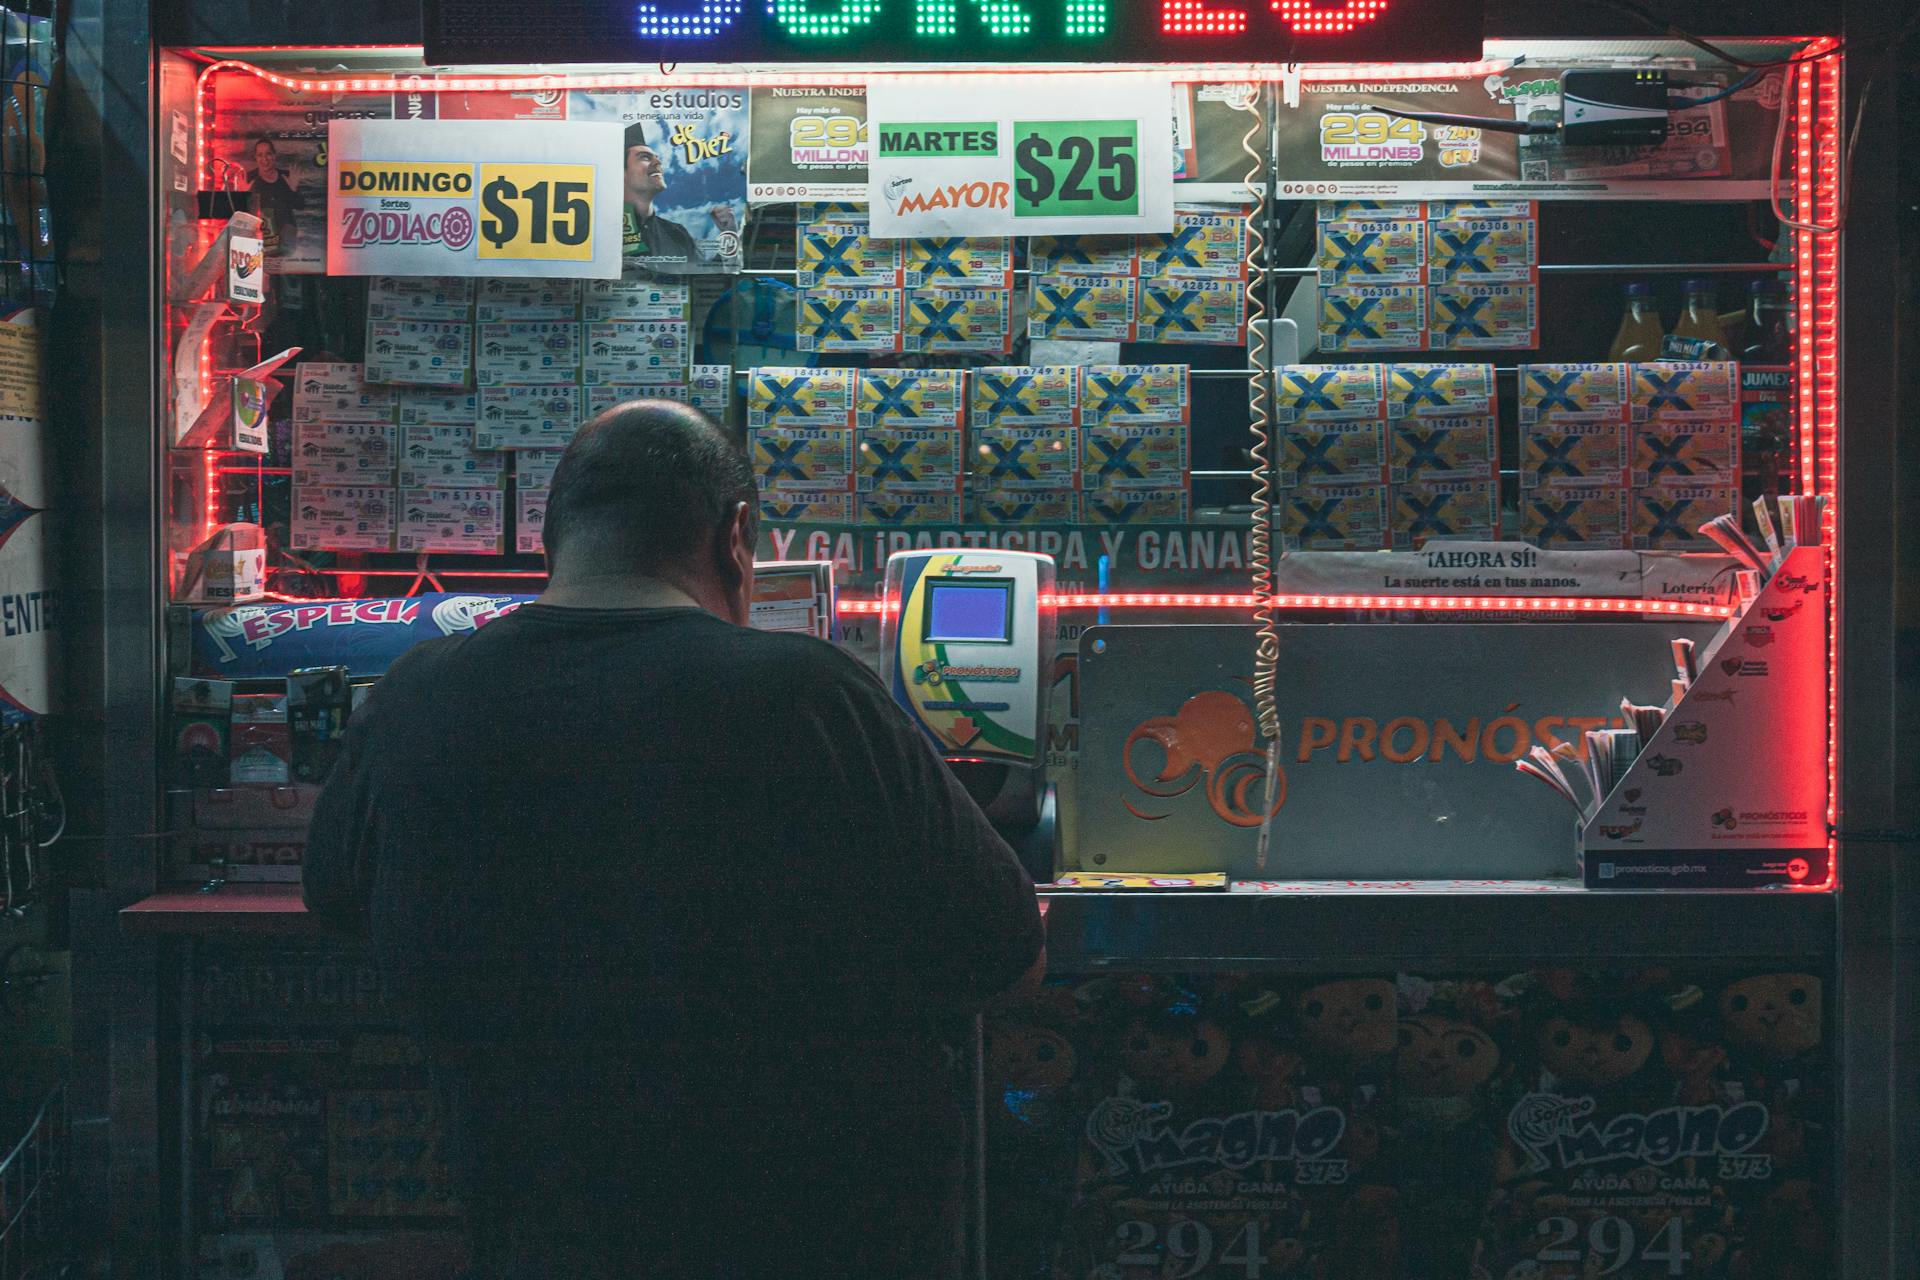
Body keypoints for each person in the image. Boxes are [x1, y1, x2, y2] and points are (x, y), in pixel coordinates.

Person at [304, 400, 1044, 1280]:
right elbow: (1008, 953)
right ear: (737, 537)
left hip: (542, 1232)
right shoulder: (809, 697)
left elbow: (338, 904)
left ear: (552, 540)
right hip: (821, 1234)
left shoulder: (417, 696)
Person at [621, 118, 731, 273]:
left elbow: (705, 273)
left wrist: (729, 233)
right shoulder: (604, 229)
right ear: (622, 172)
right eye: (645, 157)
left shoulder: (677, 234)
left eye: (657, 158)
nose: (657, 163)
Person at [246, 136, 299, 260]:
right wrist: (244, 194)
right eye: (260, 155)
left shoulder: (286, 177)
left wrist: (294, 190)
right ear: (255, 157)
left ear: (274, 155)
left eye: (268, 154)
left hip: (286, 237)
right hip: (263, 237)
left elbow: (300, 205)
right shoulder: (249, 179)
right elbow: (242, 214)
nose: (264, 159)